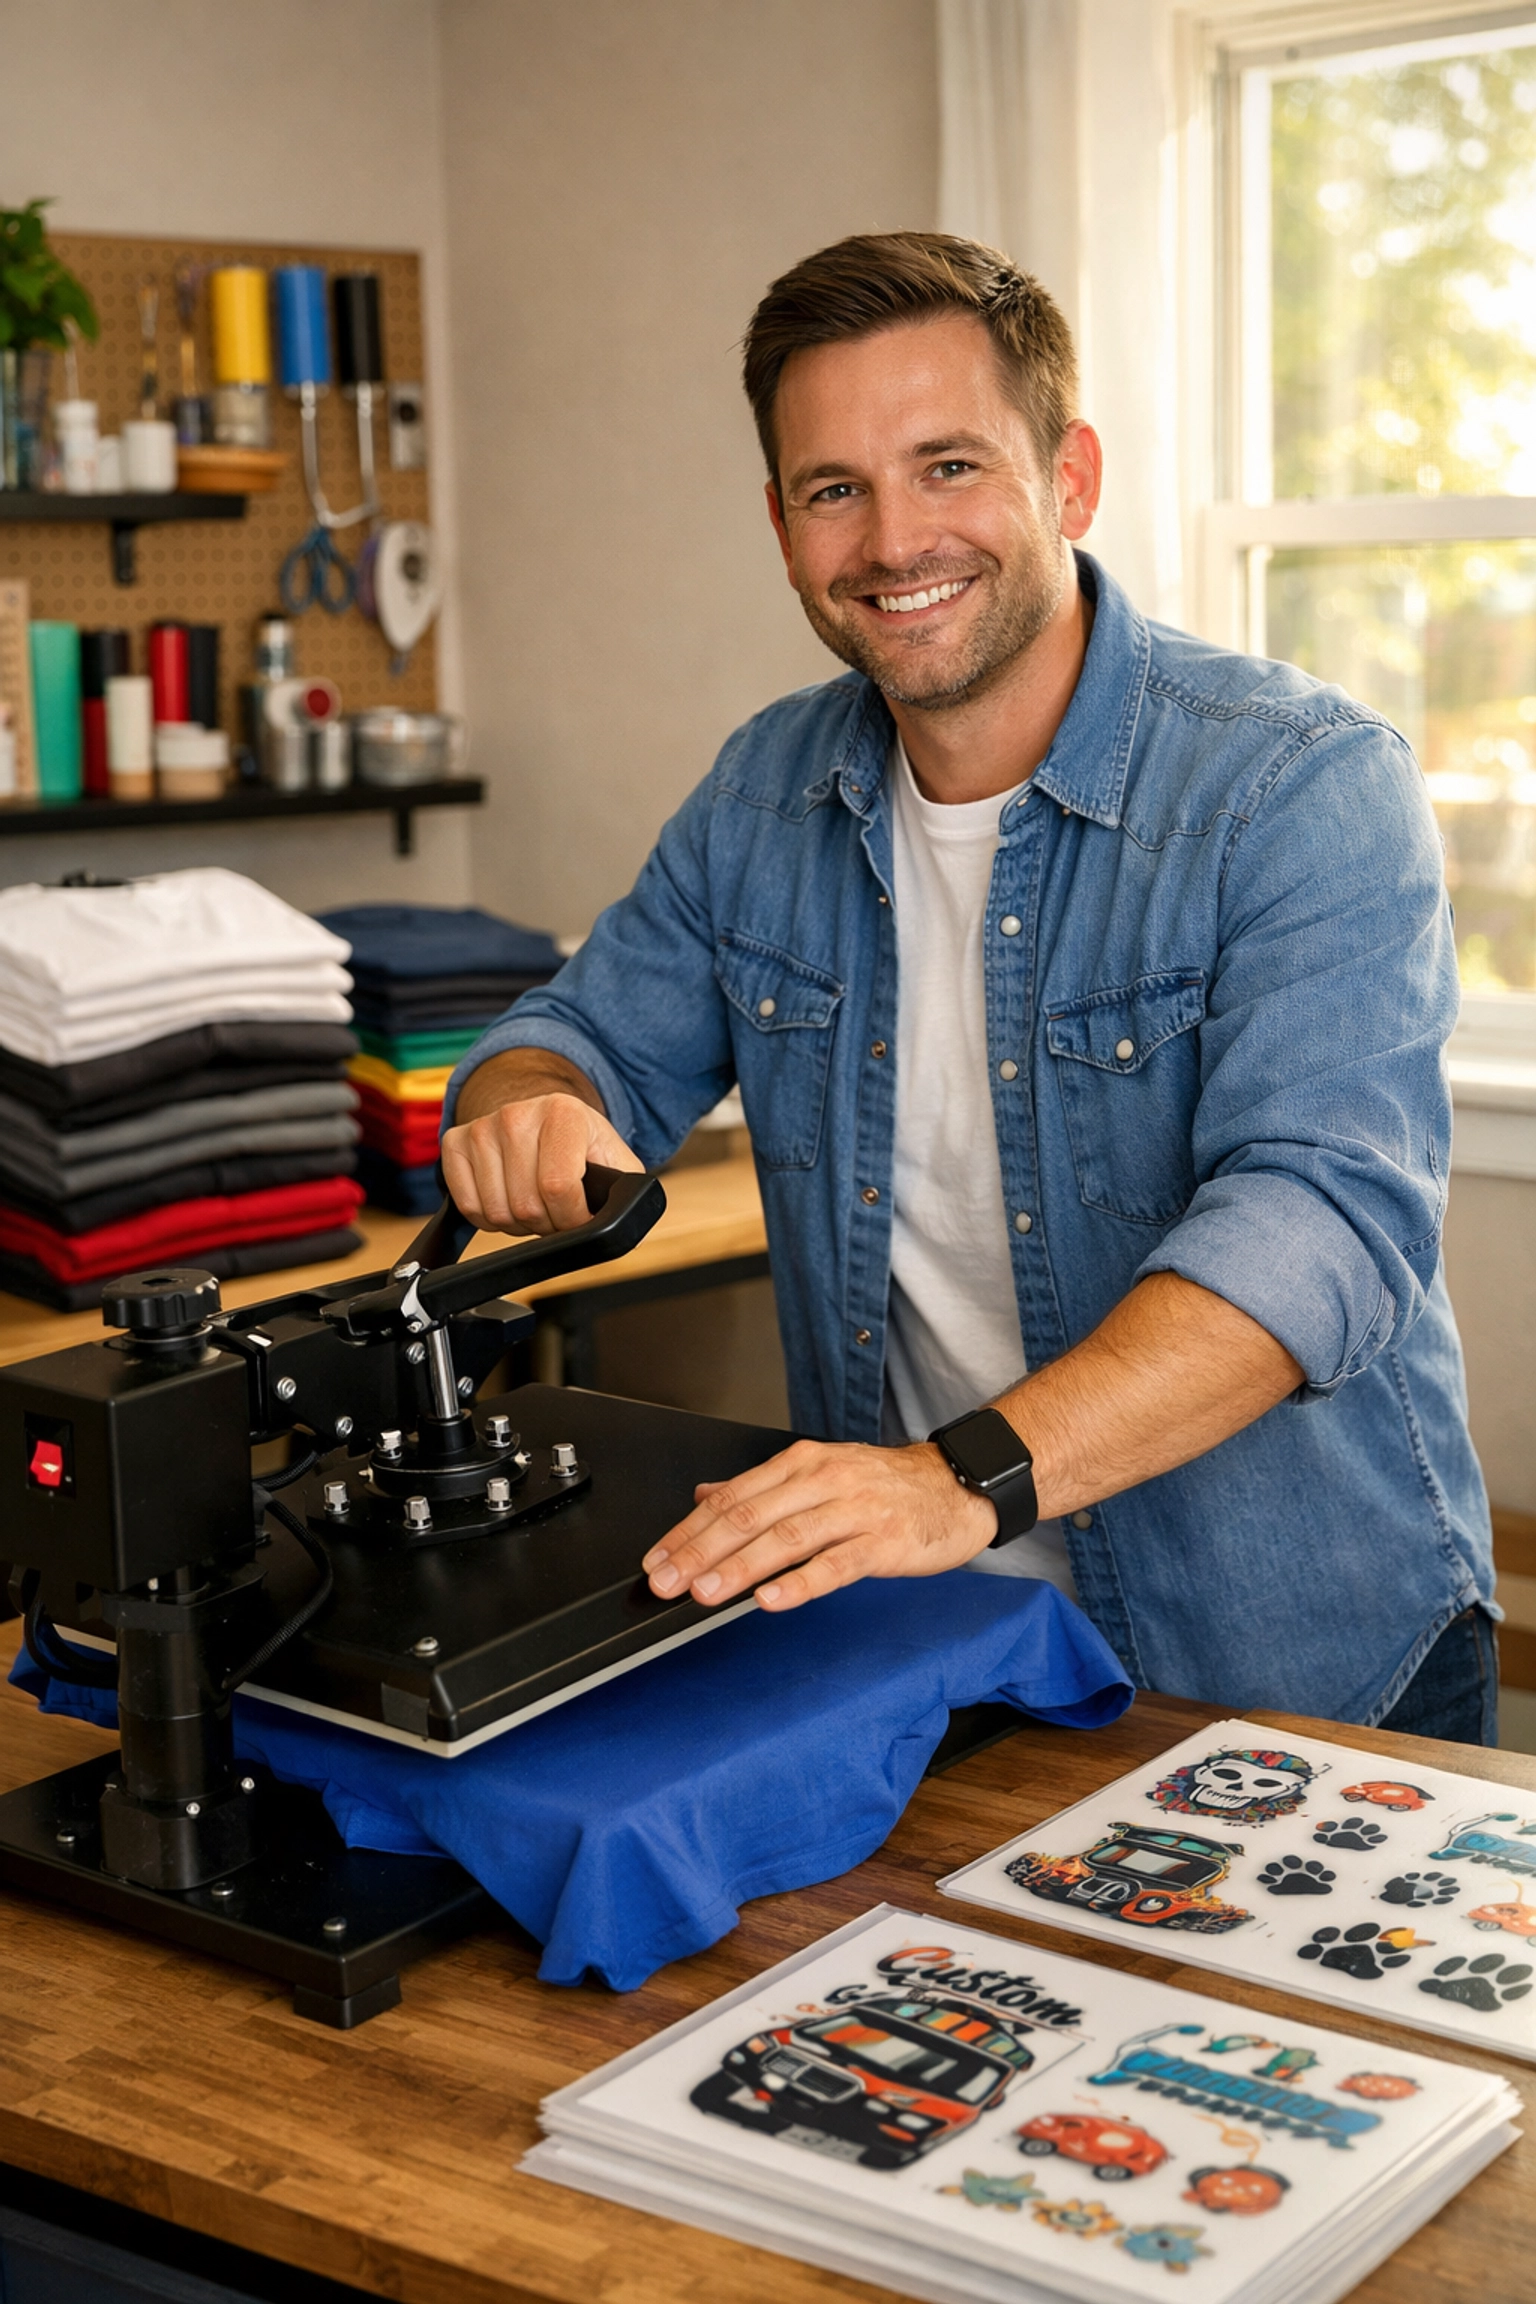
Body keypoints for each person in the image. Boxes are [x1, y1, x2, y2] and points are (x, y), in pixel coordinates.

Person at [441, 232, 1496, 1740]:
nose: (893, 542)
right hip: (934, 1649)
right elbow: (575, 1038)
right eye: (834, 489)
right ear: (780, 523)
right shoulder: (763, 793)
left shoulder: (1300, 784)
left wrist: (955, 1482)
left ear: (1071, 478)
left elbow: (1320, 1225)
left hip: (1288, 1661)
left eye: (948, 466)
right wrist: (527, 1102)